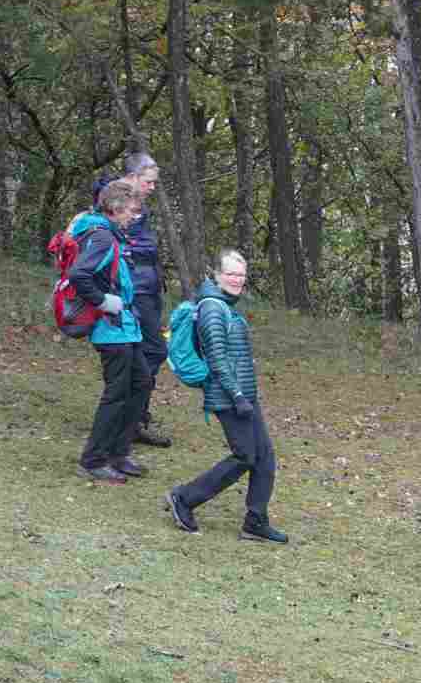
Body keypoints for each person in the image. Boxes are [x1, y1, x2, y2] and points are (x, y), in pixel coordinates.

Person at [164, 251, 287, 543]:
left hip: (243, 394)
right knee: (245, 455)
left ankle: (255, 521)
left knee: (264, 457)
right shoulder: (212, 308)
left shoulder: (225, 306)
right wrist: (238, 395)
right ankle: (184, 498)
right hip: (228, 395)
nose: (237, 280)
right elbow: (217, 359)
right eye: (231, 274)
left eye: (241, 275)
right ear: (217, 275)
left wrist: (245, 394)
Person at [69, 180, 150, 484]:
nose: (133, 216)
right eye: (131, 210)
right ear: (115, 208)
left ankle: (118, 452)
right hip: (110, 329)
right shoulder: (103, 236)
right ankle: (93, 460)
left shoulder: (110, 234)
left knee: (141, 382)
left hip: (125, 327)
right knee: (117, 393)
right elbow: (79, 275)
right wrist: (103, 301)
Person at [93, 152, 172, 448]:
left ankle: (132, 418)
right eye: (149, 181)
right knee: (151, 352)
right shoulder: (116, 206)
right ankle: (128, 418)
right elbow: (117, 250)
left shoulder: (138, 206)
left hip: (147, 289)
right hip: (132, 294)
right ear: (134, 177)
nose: (152, 187)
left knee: (148, 354)